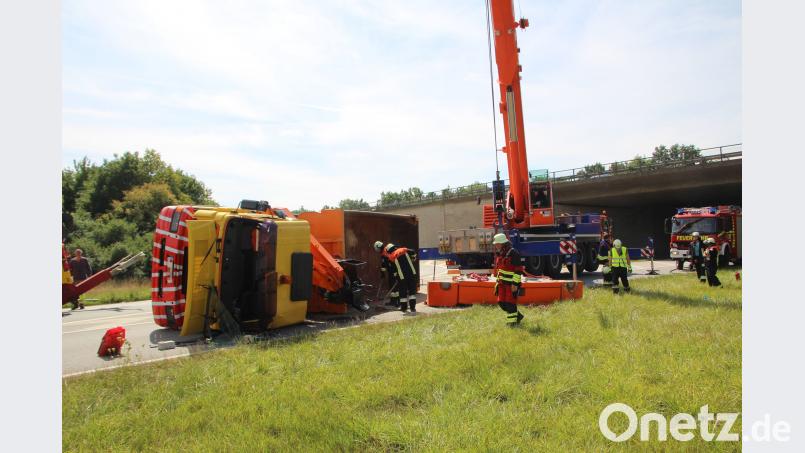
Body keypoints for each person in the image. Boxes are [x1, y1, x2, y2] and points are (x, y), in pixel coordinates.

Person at [374, 241, 418, 313]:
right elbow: (413, 252)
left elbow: (393, 268)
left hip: (402, 276)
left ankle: (404, 308)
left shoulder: (392, 257)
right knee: (412, 292)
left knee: (403, 292)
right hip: (412, 273)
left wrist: (396, 276)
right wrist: (413, 259)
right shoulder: (403, 249)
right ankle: (413, 308)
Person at [492, 233, 525, 325]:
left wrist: (514, 284)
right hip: (502, 284)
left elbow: (518, 271)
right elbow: (500, 270)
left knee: (510, 304)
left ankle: (512, 323)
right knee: (501, 303)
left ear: (503, 243)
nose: (496, 245)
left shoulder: (513, 253)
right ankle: (518, 316)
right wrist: (497, 283)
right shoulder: (501, 253)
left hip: (511, 285)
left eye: (497, 244)